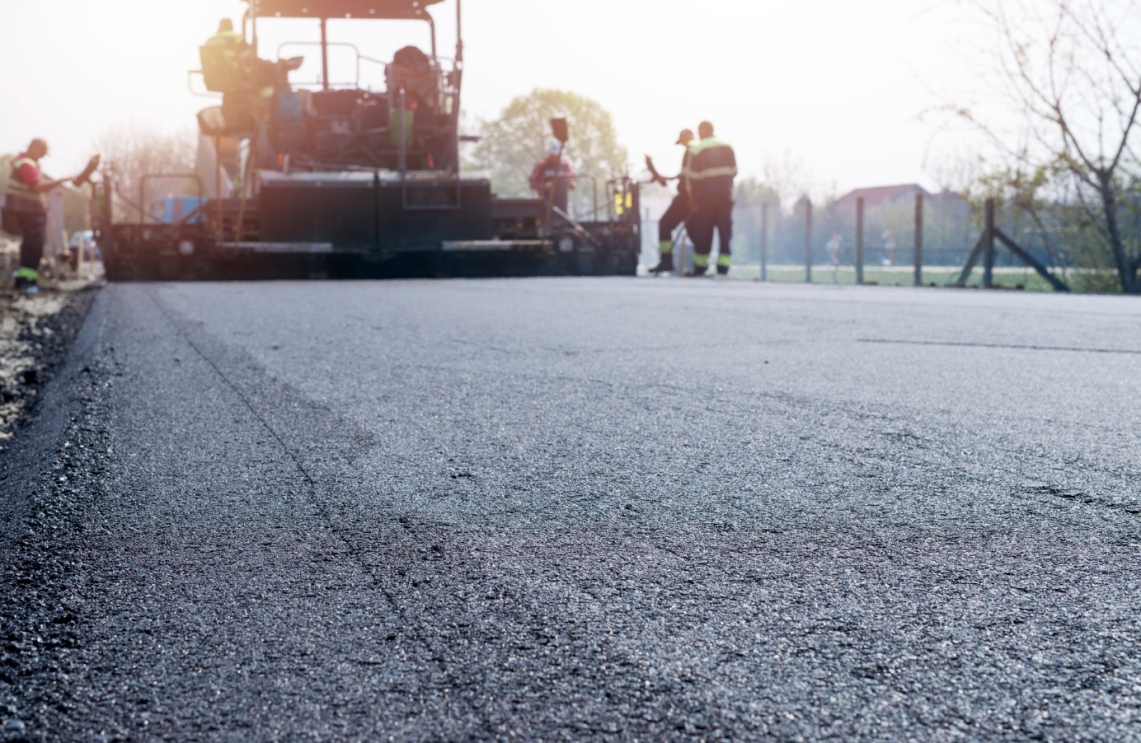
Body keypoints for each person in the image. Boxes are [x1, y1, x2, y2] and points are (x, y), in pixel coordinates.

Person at [4, 139, 74, 292]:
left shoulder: (22, 162)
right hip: (28, 214)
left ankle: (26, 280)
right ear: (34, 148)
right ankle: (27, 282)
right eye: (42, 153)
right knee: (33, 247)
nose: (42, 157)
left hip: (28, 213)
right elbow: (38, 187)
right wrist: (61, 180)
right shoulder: (27, 164)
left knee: (32, 246)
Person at [683, 121, 737, 276]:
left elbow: (691, 177)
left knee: (703, 232)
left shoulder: (696, 149)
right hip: (725, 196)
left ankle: (701, 267)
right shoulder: (727, 146)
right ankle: (723, 268)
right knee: (724, 233)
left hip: (705, 198)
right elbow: (734, 171)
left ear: (701, 131)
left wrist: (692, 197)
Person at [645, 128, 695, 274]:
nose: (682, 145)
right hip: (690, 197)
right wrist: (667, 178)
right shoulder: (693, 152)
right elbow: (684, 175)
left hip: (686, 197)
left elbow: (688, 178)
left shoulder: (692, 150)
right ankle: (698, 266)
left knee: (665, 224)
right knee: (693, 231)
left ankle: (666, 261)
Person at [530, 138, 577, 215]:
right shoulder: (542, 165)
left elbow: (573, 185)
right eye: (552, 154)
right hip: (544, 206)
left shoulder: (565, 165)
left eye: (555, 155)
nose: (553, 157)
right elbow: (532, 184)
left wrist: (569, 182)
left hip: (562, 207)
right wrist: (545, 186)